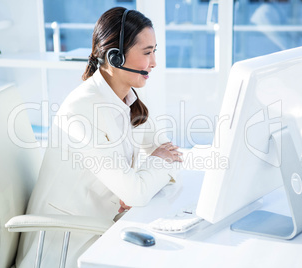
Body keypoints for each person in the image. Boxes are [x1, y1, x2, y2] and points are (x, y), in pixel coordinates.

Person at [15, 7, 182, 267]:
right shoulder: (83, 110)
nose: (154, 63)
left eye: (154, 51)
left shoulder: (126, 97)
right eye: (147, 53)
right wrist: (140, 180)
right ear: (115, 57)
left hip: (102, 226)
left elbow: (164, 150)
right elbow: (140, 188)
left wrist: (142, 178)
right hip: (68, 243)